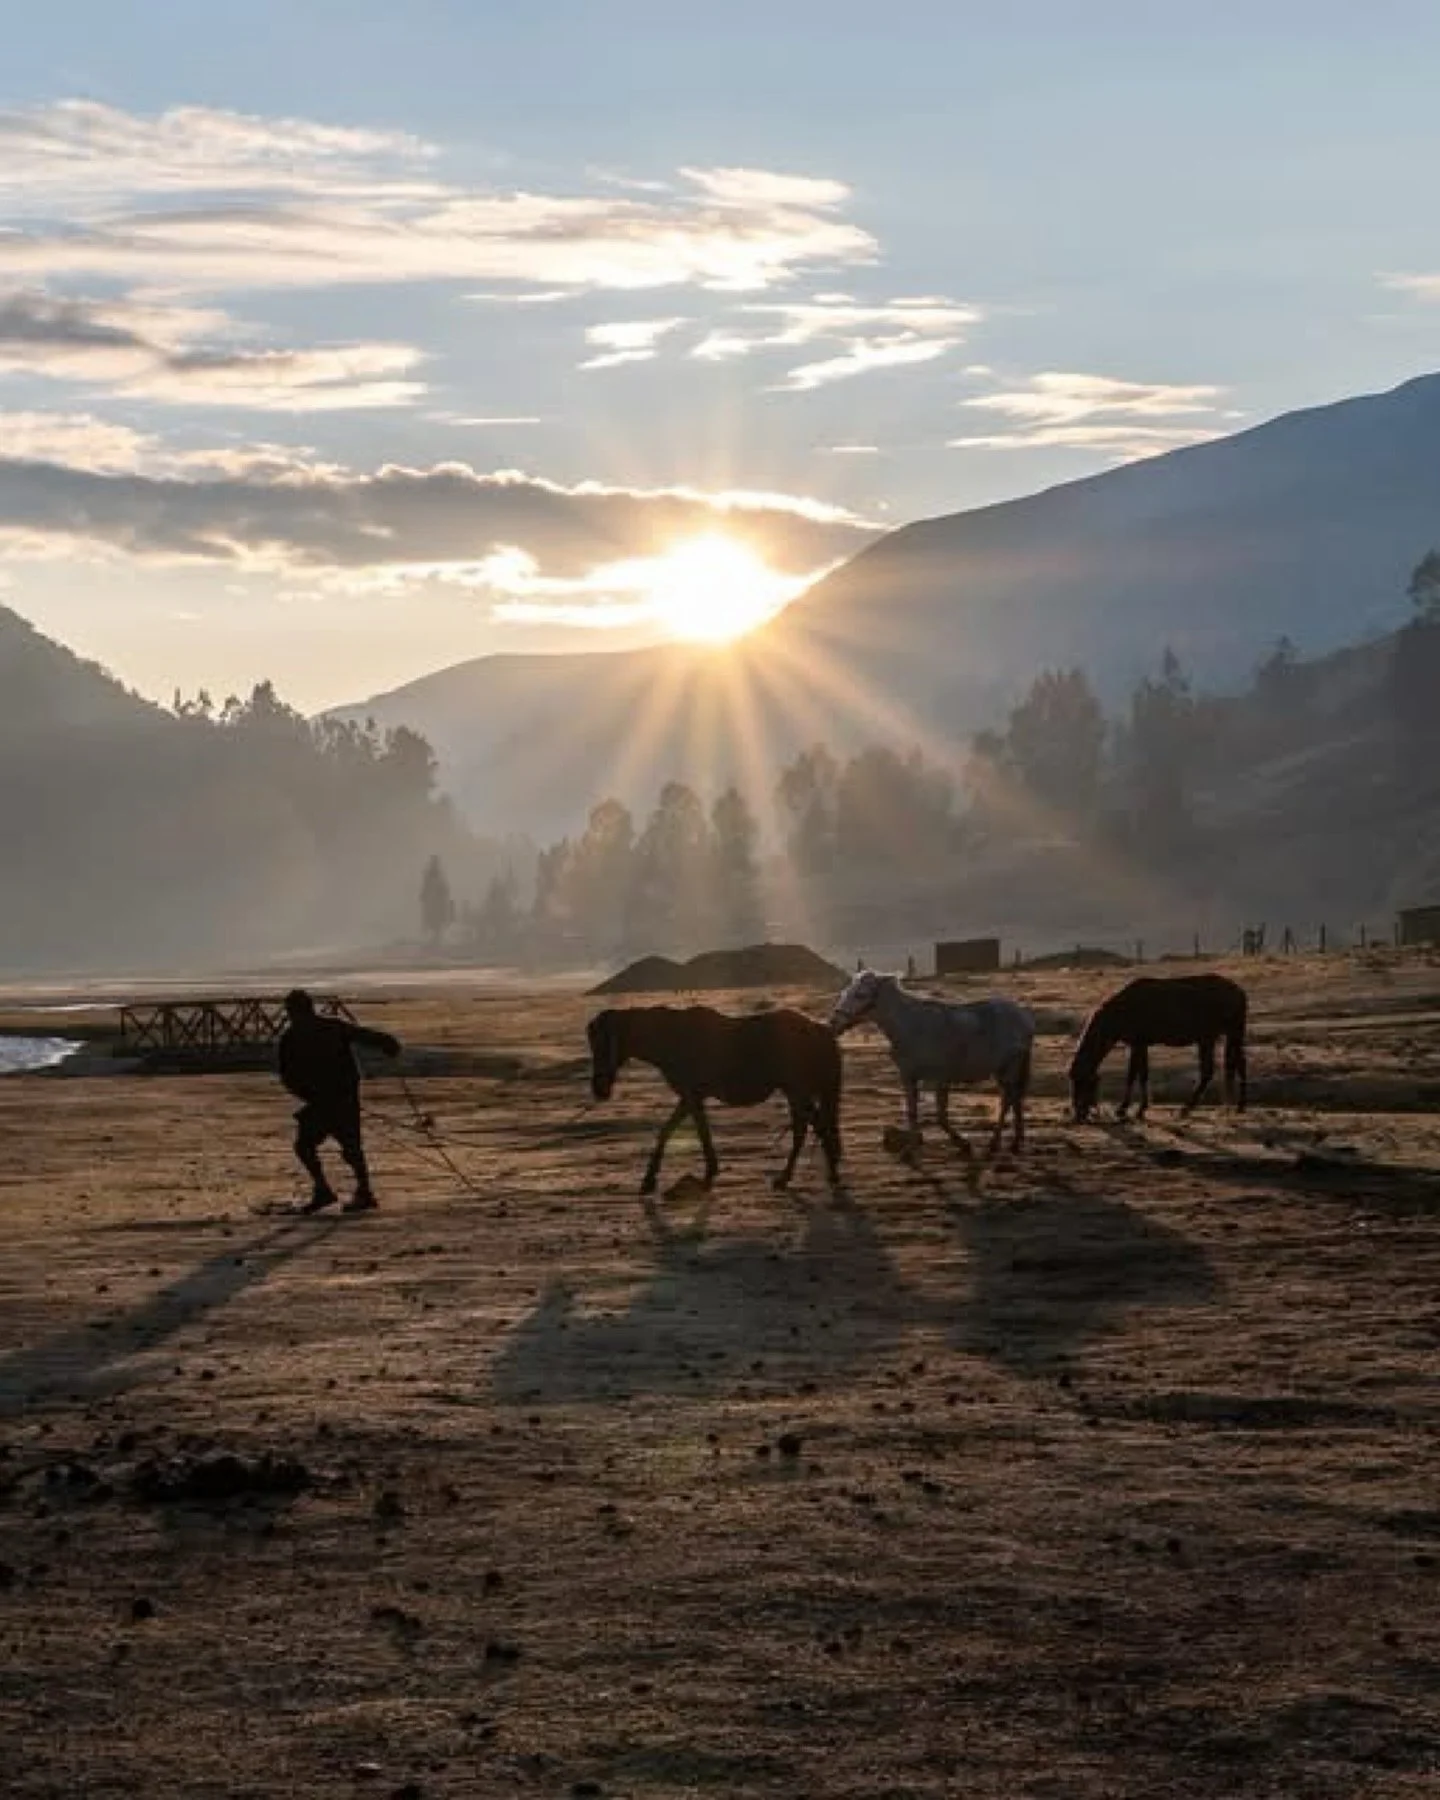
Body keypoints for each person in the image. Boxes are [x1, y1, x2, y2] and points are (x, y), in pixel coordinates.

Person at [277, 989, 401, 1214]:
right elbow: (288, 1076)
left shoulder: (297, 1036)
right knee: (325, 1145)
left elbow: (287, 1076)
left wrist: (386, 1043)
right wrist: (387, 1043)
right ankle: (342, 1191)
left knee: (332, 1146)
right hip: (332, 1099)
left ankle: (349, 1192)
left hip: (334, 1099)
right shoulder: (322, 1030)